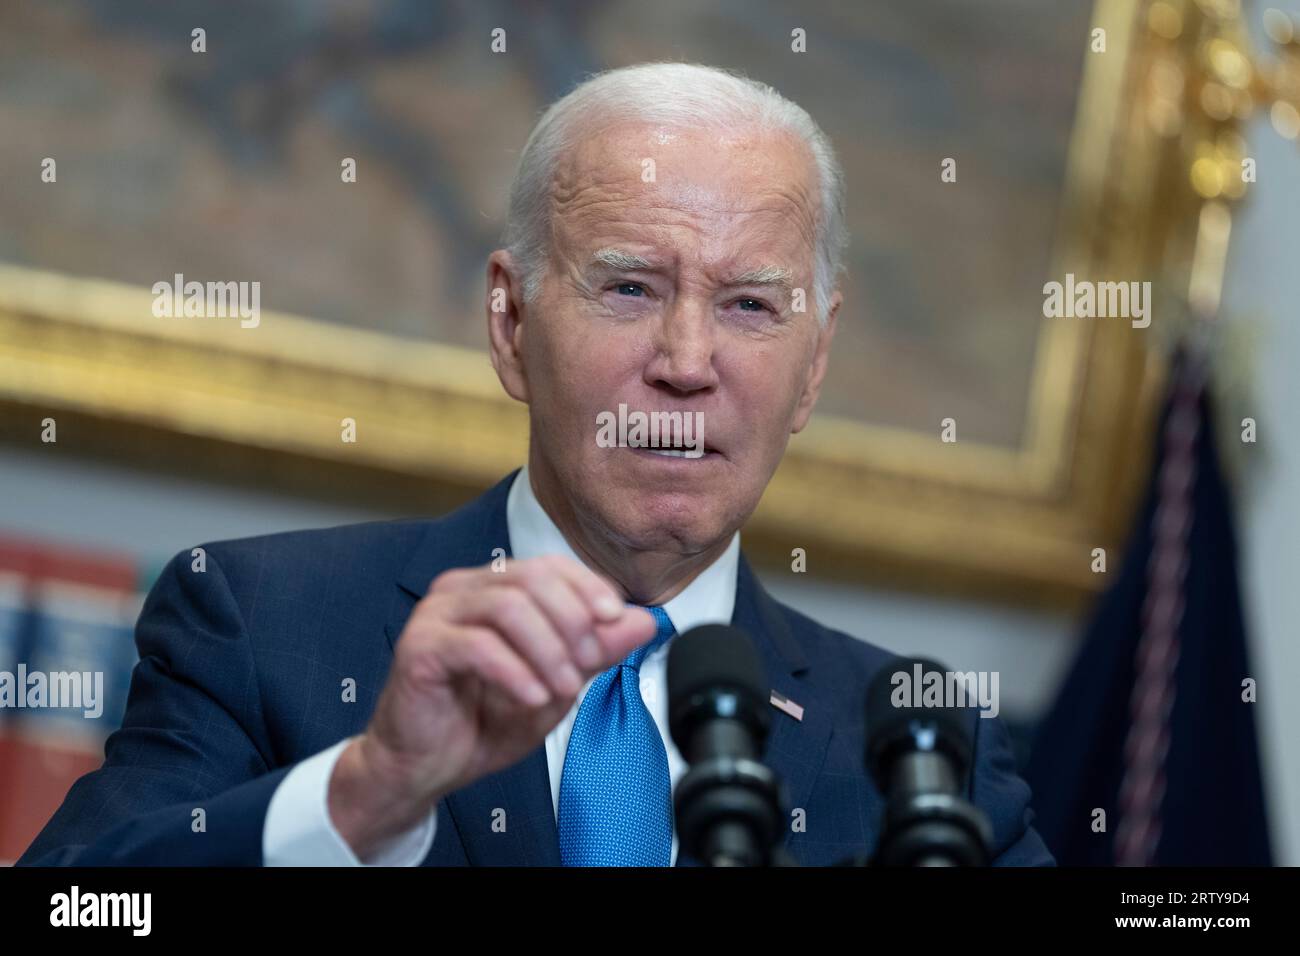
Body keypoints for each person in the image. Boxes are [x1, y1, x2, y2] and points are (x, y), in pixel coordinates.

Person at [19, 62, 1052, 867]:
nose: (687, 364)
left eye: (749, 304)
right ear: (511, 322)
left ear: (814, 360)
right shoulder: (259, 620)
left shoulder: (919, 735)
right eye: (629, 288)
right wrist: (365, 792)